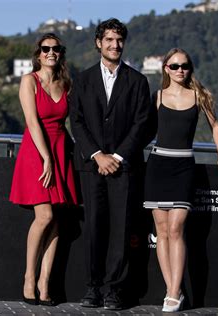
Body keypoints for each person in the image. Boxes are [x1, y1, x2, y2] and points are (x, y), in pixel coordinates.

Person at [70, 18, 154, 310]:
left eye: (119, 40)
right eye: (109, 40)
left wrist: (117, 157)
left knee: (121, 230)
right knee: (93, 227)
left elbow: (143, 124)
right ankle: (93, 287)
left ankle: (114, 290)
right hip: (91, 166)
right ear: (98, 43)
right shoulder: (82, 80)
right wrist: (97, 155)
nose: (114, 45)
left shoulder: (138, 81)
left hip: (124, 167)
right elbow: (76, 122)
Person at [143, 48, 218, 312]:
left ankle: (172, 292)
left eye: (185, 66)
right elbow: (143, 129)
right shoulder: (156, 97)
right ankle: (175, 290)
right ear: (165, 69)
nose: (180, 70)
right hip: (158, 165)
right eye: (174, 66)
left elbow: (215, 125)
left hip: (184, 166)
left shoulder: (199, 96)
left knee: (176, 229)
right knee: (161, 232)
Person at [9, 33, 79, 306]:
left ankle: (44, 283)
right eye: (46, 48)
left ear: (61, 53)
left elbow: (69, 124)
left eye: (57, 48)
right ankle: (29, 276)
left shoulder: (66, 83)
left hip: (61, 150)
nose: (52, 52)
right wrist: (46, 158)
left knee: (57, 220)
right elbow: (32, 121)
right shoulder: (29, 81)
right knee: (45, 215)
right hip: (37, 152)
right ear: (38, 54)